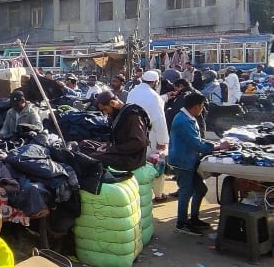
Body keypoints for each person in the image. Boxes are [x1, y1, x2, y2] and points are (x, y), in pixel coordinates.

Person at [169, 92, 231, 235]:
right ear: (196, 106)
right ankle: (182, 223)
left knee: (201, 189)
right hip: (182, 161)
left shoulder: (188, 117)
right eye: (202, 106)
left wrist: (213, 144)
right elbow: (196, 144)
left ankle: (194, 218)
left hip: (188, 159)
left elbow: (197, 140)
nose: (202, 108)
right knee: (186, 191)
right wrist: (218, 147)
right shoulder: (183, 121)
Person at [127, 70, 170, 202]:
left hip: (133, 133)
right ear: (155, 82)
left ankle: (137, 192)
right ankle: (158, 194)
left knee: (137, 164)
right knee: (157, 164)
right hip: (151, 135)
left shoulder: (133, 92)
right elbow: (159, 119)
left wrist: (166, 97)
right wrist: (163, 141)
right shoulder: (153, 96)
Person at [81, 91, 150, 171]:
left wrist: (112, 149)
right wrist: (108, 148)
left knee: (91, 156)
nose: (105, 113)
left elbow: (139, 142)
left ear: (112, 103)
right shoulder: (120, 113)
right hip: (119, 150)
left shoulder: (133, 116)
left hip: (131, 159)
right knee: (85, 144)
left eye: (105, 109)